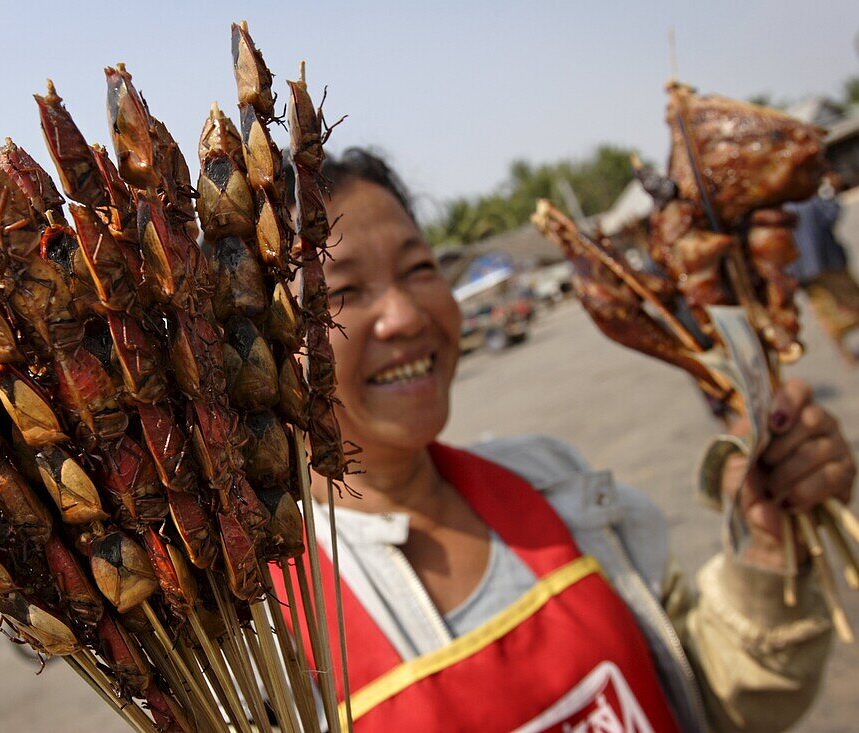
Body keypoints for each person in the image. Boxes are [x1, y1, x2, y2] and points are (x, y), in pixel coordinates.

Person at [277, 149, 855, 732]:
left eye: (418, 269)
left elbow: (711, 699)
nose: (403, 315)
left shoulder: (552, 481)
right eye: (338, 291)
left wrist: (763, 544)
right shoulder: (266, 641)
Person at [786, 174, 859, 363]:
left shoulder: (779, 210)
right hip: (828, 262)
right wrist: (832, 193)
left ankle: (845, 355)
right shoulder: (808, 197)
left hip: (805, 271)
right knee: (851, 303)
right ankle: (845, 354)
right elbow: (830, 214)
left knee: (825, 312)